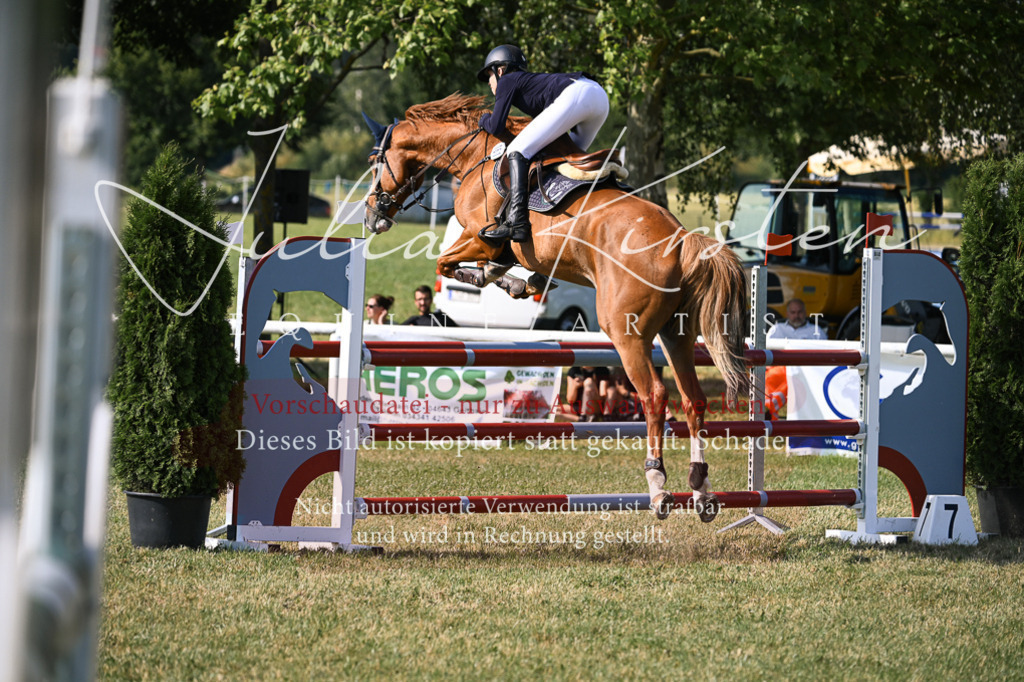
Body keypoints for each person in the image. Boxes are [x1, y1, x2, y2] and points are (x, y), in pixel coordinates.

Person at [475, 44, 610, 244]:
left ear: (500, 70)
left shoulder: (508, 80)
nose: (489, 82)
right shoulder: (530, 86)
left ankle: (517, 222)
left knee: (517, 150)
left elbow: (496, 126)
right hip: (599, 97)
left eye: (490, 76)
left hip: (578, 94)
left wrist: (482, 119)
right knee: (568, 157)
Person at [764, 298, 824, 419]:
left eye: (800, 312)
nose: (796, 315)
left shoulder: (817, 331)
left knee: (794, 375)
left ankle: (769, 408)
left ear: (805, 313)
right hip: (779, 369)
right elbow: (766, 352)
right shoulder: (777, 329)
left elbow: (826, 356)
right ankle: (768, 409)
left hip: (808, 371)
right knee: (779, 376)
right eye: (793, 312)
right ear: (787, 314)